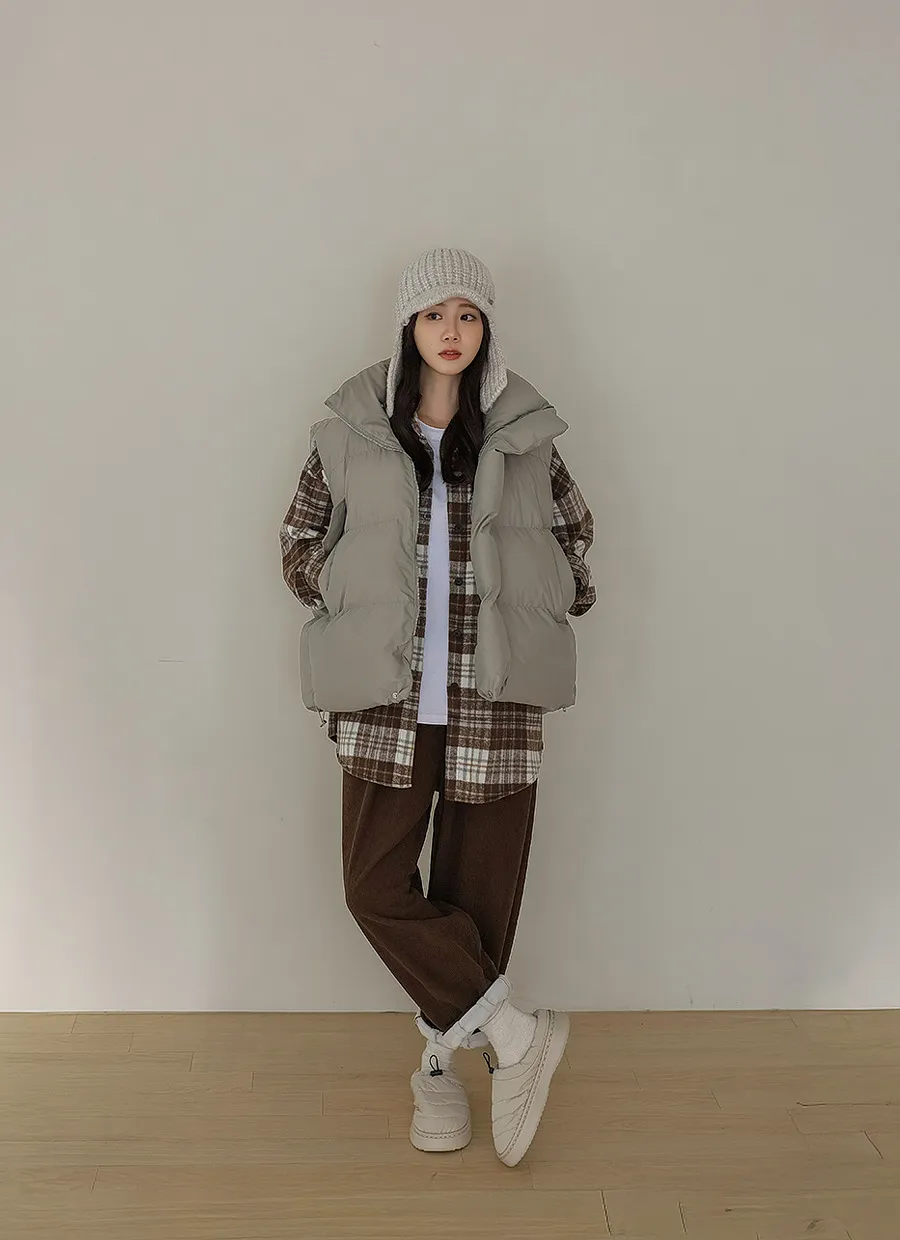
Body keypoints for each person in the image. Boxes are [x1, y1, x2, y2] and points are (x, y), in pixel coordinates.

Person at [280, 247, 596, 1167]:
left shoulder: (524, 437)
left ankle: (440, 1070)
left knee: (479, 902)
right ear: (407, 327)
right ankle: (517, 1037)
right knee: (374, 887)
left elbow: (576, 541)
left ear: (486, 328)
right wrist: (348, 589)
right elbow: (298, 540)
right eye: (433, 314)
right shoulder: (349, 434)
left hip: (495, 697)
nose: (451, 331)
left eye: (467, 314)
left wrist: (548, 599)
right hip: (386, 699)